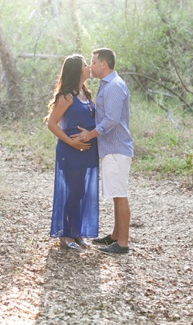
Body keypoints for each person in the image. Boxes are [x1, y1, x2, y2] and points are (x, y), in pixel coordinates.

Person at [72, 48, 133, 254]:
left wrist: (89, 135)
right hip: (111, 149)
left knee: (120, 194)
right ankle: (115, 236)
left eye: (94, 62)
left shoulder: (114, 86)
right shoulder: (107, 85)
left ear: (104, 65)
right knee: (116, 194)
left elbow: (112, 119)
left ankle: (123, 244)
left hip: (116, 148)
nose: (91, 66)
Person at [45, 55, 99, 250]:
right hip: (70, 150)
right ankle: (66, 235)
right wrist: (70, 142)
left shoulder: (85, 93)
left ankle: (77, 232)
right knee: (73, 191)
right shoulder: (66, 96)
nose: (89, 67)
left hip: (87, 151)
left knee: (81, 191)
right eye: (86, 65)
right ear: (77, 71)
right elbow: (51, 124)